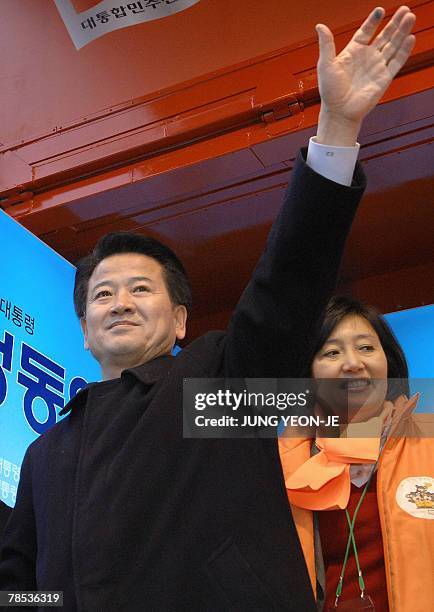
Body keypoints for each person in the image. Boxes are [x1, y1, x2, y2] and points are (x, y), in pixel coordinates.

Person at [0, 6, 416, 611]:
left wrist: (336, 130)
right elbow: (17, 583)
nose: (120, 303)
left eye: (142, 289)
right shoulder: (45, 453)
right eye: (102, 294)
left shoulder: (212, 387)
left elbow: (286, 289)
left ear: (181, 322)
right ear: (84, 333)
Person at [279, 295, 434, 611]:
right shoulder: (283, 463)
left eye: (366, 348)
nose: (352, 363)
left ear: (387, 360)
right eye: (332, 352)